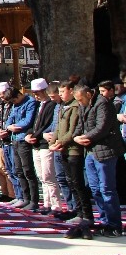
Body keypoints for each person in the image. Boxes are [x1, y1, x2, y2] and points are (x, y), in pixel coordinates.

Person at [74, 82, 124, 236]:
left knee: (107, 189)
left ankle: (114, 224)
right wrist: (76, 137)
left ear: (89, 94)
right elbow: (80, 125)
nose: (80, 103)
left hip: (105, 150)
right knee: (95, 189)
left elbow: (102, 127)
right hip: (90, 151)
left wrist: (86, 137)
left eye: (81, 99)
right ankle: (104, 221)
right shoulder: (83, 105)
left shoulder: (103, 104)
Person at [51, 81, 91, 237]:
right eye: (59, 92)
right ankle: (76, 210)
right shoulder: (63, 106)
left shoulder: (75, 106)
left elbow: (73, 129)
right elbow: (58, 127)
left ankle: (85, 214)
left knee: (78, 183)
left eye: (63, 91)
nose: (60, 94)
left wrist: (61, 142)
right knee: (70, 182)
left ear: (71, 91)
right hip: (63, 149)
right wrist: (53, 141)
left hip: (73, 149)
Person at [25, 79, 64, 214]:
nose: (36, 96)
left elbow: (47, 124)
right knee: (41, 176)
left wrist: (37, 135)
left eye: (38, 93)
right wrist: (29, 134)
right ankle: (47, 203)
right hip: (37, 143)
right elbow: (35, 123)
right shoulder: (39, 105)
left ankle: (56, 205)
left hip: (45, 144)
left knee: (48, 176)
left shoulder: (52, 105)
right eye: (34, 93)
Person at [5, 82, 40, 210]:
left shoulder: (30, 102)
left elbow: (28, 120)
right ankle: (25, 197)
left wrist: (16, 126)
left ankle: (33, 200)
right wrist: (9, 126)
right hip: (15, 138)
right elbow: (10, 118)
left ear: (19, 95)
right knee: (18, 170)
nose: (14, 103)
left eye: (14, 100)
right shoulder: (15, 105)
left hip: (24, 138)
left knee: (28, 170)